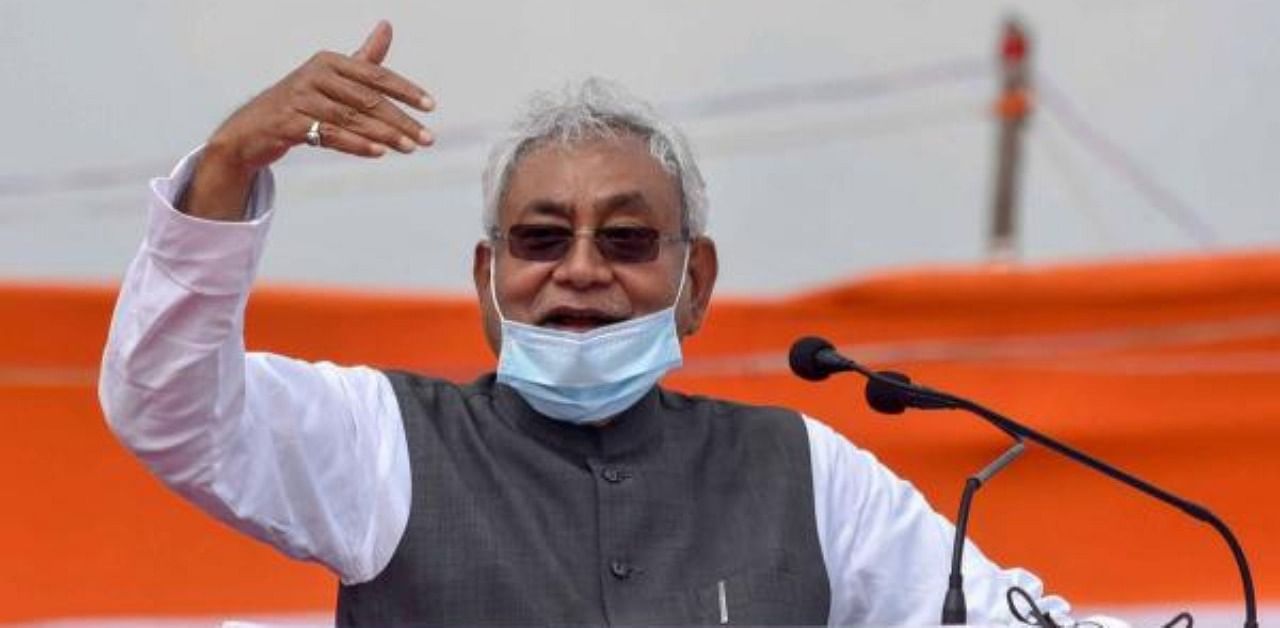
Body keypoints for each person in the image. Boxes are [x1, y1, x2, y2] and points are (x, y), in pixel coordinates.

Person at [100, 21, 1112, 627]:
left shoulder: (803, 470)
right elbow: (172, 407)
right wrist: (228, 164)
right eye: (542, 240)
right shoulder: (382, 445)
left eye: (626, 242)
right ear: (487, 278)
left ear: (695, 280)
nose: (579, 270)